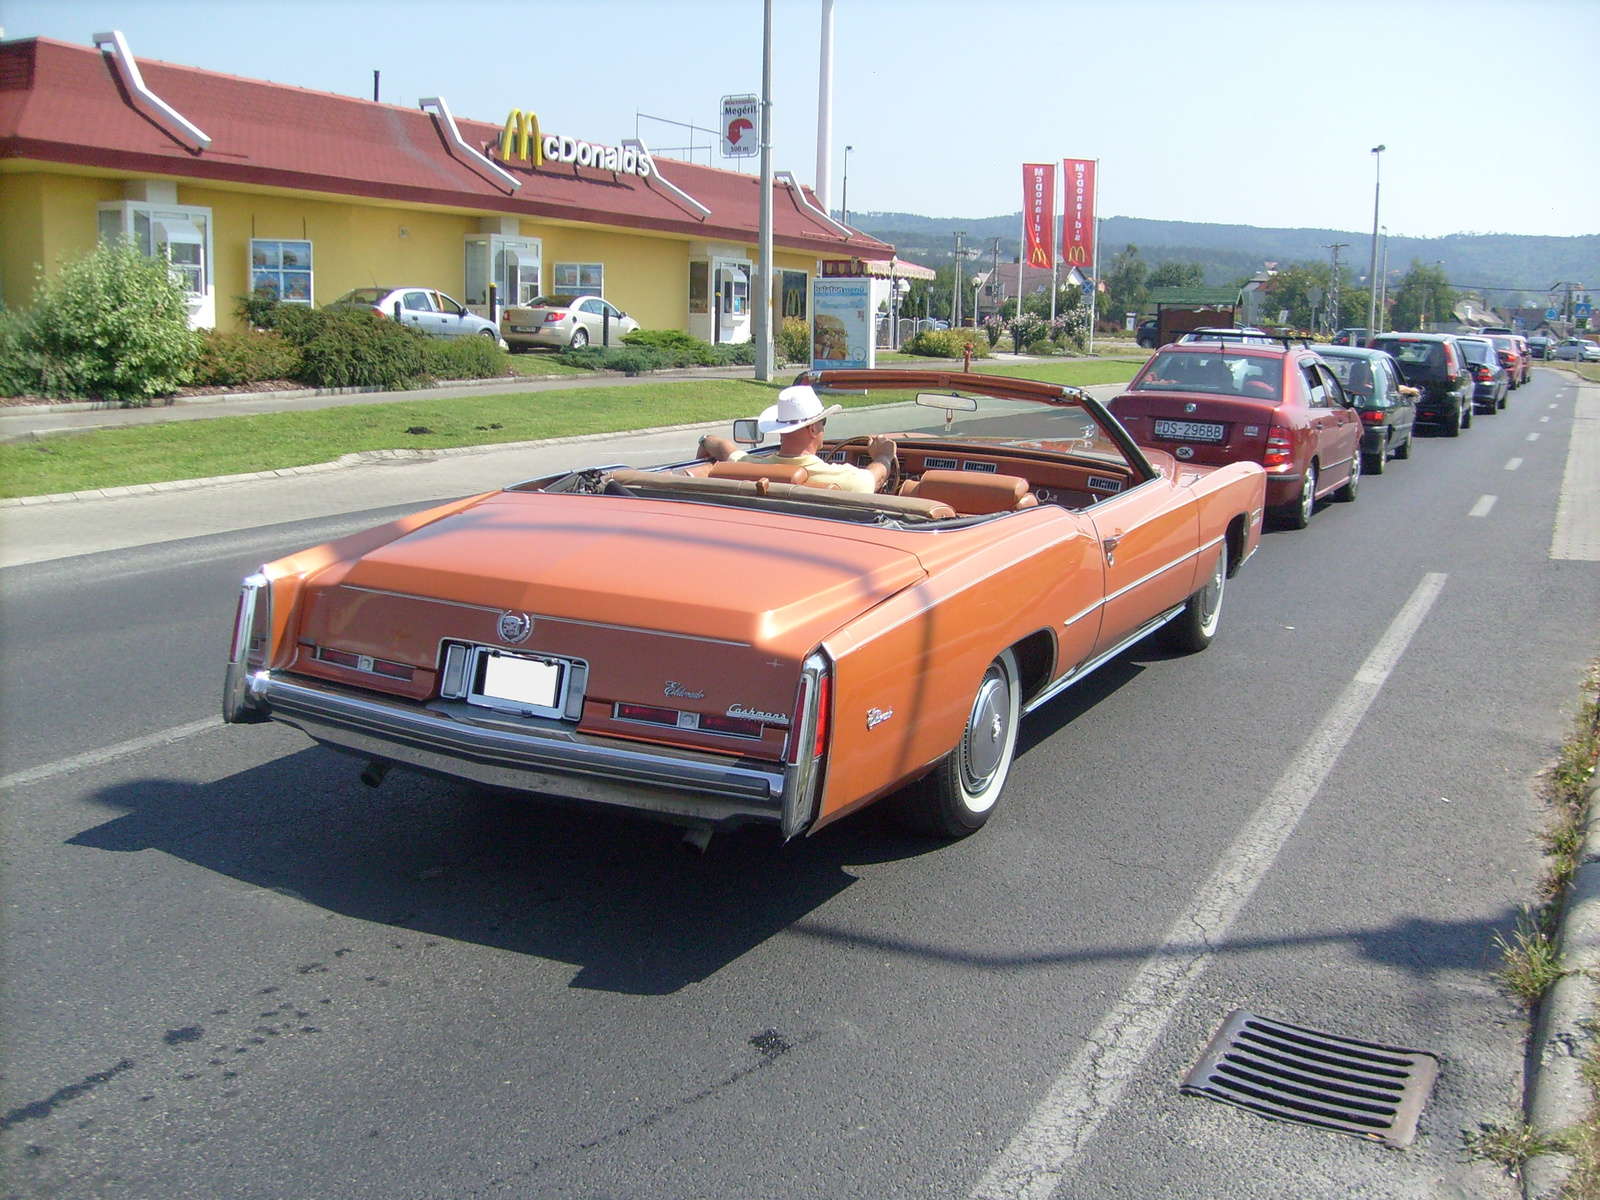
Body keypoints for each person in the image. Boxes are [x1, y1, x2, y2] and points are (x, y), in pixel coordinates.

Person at [697, 384, 896, 494]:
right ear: (812, 429)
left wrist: (705, 440)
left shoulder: (750, 467)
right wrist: (884, 457)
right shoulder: (845, 479)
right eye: (822, 423)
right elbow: (875, 479)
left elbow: (723, 448)